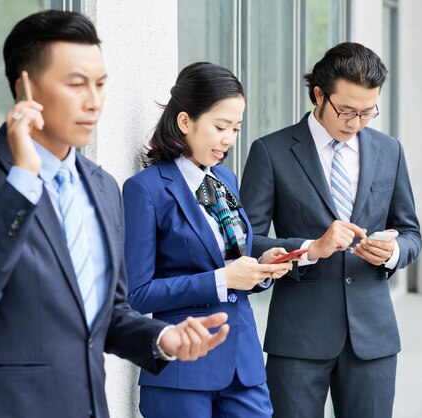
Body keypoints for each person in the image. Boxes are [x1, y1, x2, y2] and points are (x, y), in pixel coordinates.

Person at [0, 11, 228, 418]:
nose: (94, 100)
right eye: (75, 84)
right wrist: (22, 182)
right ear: (25, 88)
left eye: (100, 84)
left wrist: (162, 338)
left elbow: (109, 314)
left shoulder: (103, 186)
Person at [240, 42, 422, 418]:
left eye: (367, 112)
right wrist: (310, 248)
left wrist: (395, 252)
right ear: (319, 94)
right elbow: (247, 242)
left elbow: (411, 233)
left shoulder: (390, 151)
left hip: (373, 339)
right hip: (298, 338)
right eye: (346, 110)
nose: (355, 123)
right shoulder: (270, 151)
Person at [122, 62, 295, 418]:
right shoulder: (146, 190)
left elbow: (230, 261)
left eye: (235, 128)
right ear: (185, 122)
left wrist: (259, 269)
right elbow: (136, 295)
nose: (229, 140)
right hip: (182, 371)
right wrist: (222, 280)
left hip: (243, 365)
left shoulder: (226, 181)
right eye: (220, 127)